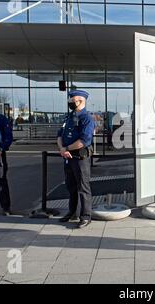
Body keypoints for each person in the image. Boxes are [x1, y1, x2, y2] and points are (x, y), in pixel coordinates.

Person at [57, 90, 95, 229]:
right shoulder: (69, 117)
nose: (70, 103)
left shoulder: (87, 118)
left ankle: (85, 216)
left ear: (80, 101)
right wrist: (62, 148)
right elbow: (60, 134)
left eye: (72, 100)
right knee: (71, 186)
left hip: (80, 158)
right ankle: (72, 213)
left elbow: (84, 140)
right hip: (68, 157)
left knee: (83, 187)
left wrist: (66, 149)